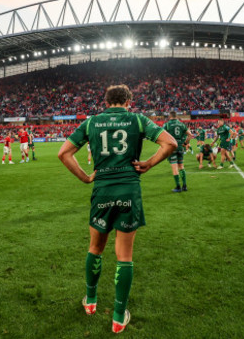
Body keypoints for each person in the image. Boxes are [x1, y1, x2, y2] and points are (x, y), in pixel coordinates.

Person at [58, 84, 176, 334]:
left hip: (102, 190)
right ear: (128, 101)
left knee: (95, 248)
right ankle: (119, 317)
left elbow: (64, 153)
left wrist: (85, 177)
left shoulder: (91, 122)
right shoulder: (138, 120)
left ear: (106, 101)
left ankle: (90, 302)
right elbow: (170, 144)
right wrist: (148, 163)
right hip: (129, 190)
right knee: (124, 255)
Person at [163, 111, 192, 192]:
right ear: (176, 116)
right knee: (181, 166)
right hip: (180, 147)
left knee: (174, 167)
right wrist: (186, 143)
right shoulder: (182, 124)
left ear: (170, 116)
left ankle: (178, 187)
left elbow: (162, 135)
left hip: (172, 147)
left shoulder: (167, 124)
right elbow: (190, 135)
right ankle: (185, 186)